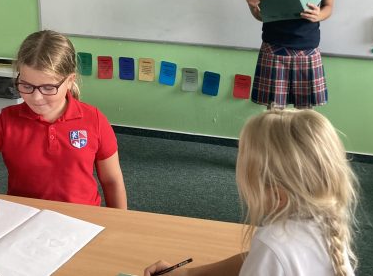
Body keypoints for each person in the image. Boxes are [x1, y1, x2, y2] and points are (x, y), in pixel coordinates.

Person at [144, 109, 359, 276]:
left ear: (277, 195)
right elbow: (255, 258)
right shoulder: (325, 222)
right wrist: (189, 273)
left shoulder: (272, 244)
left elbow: (268, 255)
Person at [0, 30, 127, 216]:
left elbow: (112, 181)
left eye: (48, 87)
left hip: (83, 220)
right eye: (26, 86)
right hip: (25, 217)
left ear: (70, 81)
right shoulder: (7, 121)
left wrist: (121, 222)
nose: (36, 97)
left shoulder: (94, 120)